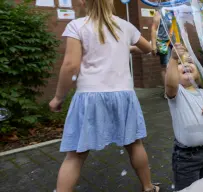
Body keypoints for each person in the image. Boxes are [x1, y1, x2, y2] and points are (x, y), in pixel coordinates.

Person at [48, 1, 159, 192]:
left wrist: (58, 97)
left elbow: (70, 66)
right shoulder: (125, 25)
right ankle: (148, 187)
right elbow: (148, 48)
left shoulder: (77, 26)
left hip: (90, 96)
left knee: (75, 153)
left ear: (83, 1)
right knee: (134, 143)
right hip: (123, 95)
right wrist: (128, 47)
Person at [165, 43, 203, 191]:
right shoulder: (177, 93)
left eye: (190, 62)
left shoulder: (202, 93)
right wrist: (173, 60)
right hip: (186, 158)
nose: (185, 64)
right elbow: (170, 84)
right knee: (189, 189)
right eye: (180, 63)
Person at [151, 6, 173, 99]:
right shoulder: (159, 12)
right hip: (164, 42)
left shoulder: (173, 11)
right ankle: (167, 91)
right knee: (166, 67)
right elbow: (154, 29)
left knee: (176, 65)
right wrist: (153, 45)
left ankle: (175, 88)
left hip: (174, 42)